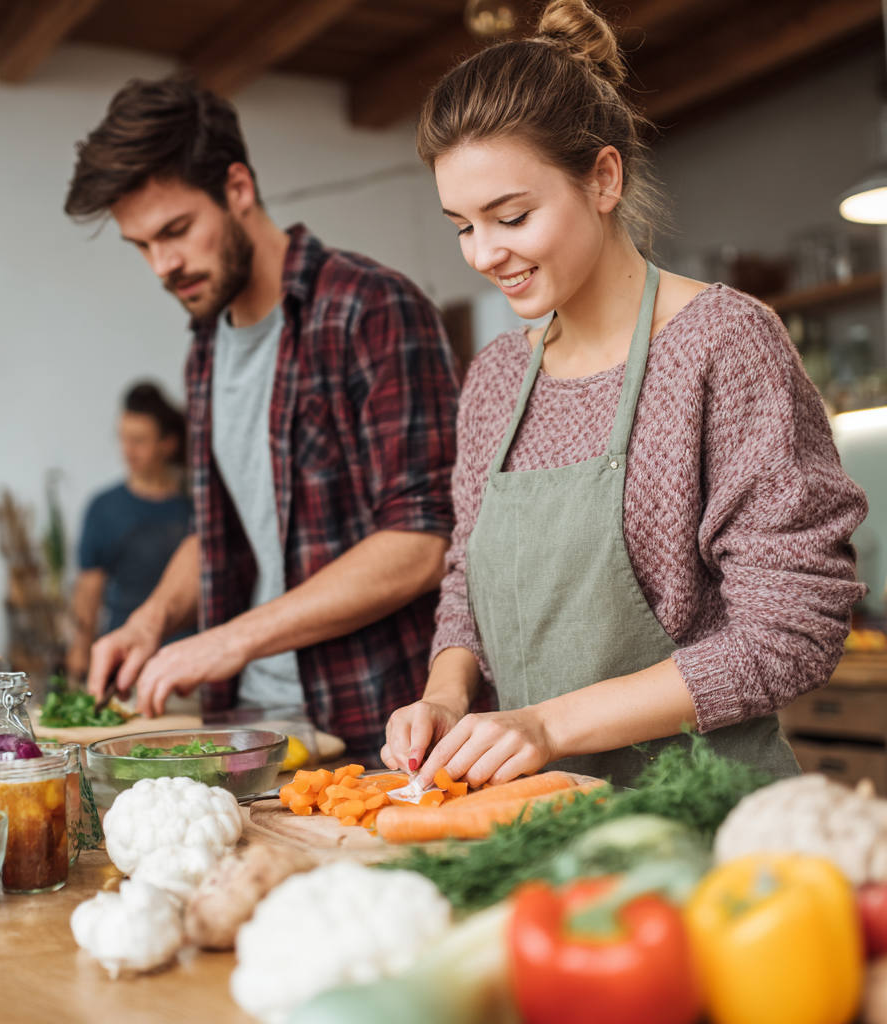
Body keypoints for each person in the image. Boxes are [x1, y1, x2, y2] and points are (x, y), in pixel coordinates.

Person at [382, 0, 869, 789]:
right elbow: (468, 580)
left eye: (511, 216)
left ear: (603, 178)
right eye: (463, 226)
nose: (484, 253)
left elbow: (790, 633)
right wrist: (446, 694)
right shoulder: (499, 378)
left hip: (699, 823)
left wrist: (546, 724)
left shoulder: (723, 344)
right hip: (531, 820)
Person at [64, 77, 459, 760]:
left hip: (374, 734)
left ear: (238, 188)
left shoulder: (371, 308)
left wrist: (229, 639)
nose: (164, 265)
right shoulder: (206, 347)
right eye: (141, 246)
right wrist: (151, 620)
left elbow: (423, 544)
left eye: (176, 230)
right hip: (248, 735)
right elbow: (224, 530)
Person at [67, 382, 193, 681]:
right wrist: (80, 649)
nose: (127, 450)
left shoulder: (195, 508)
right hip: (125, 661)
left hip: (187, 661)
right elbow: (89, 589)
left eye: (139, 441)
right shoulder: (103, 507)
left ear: (168, 444)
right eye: (122, 439)